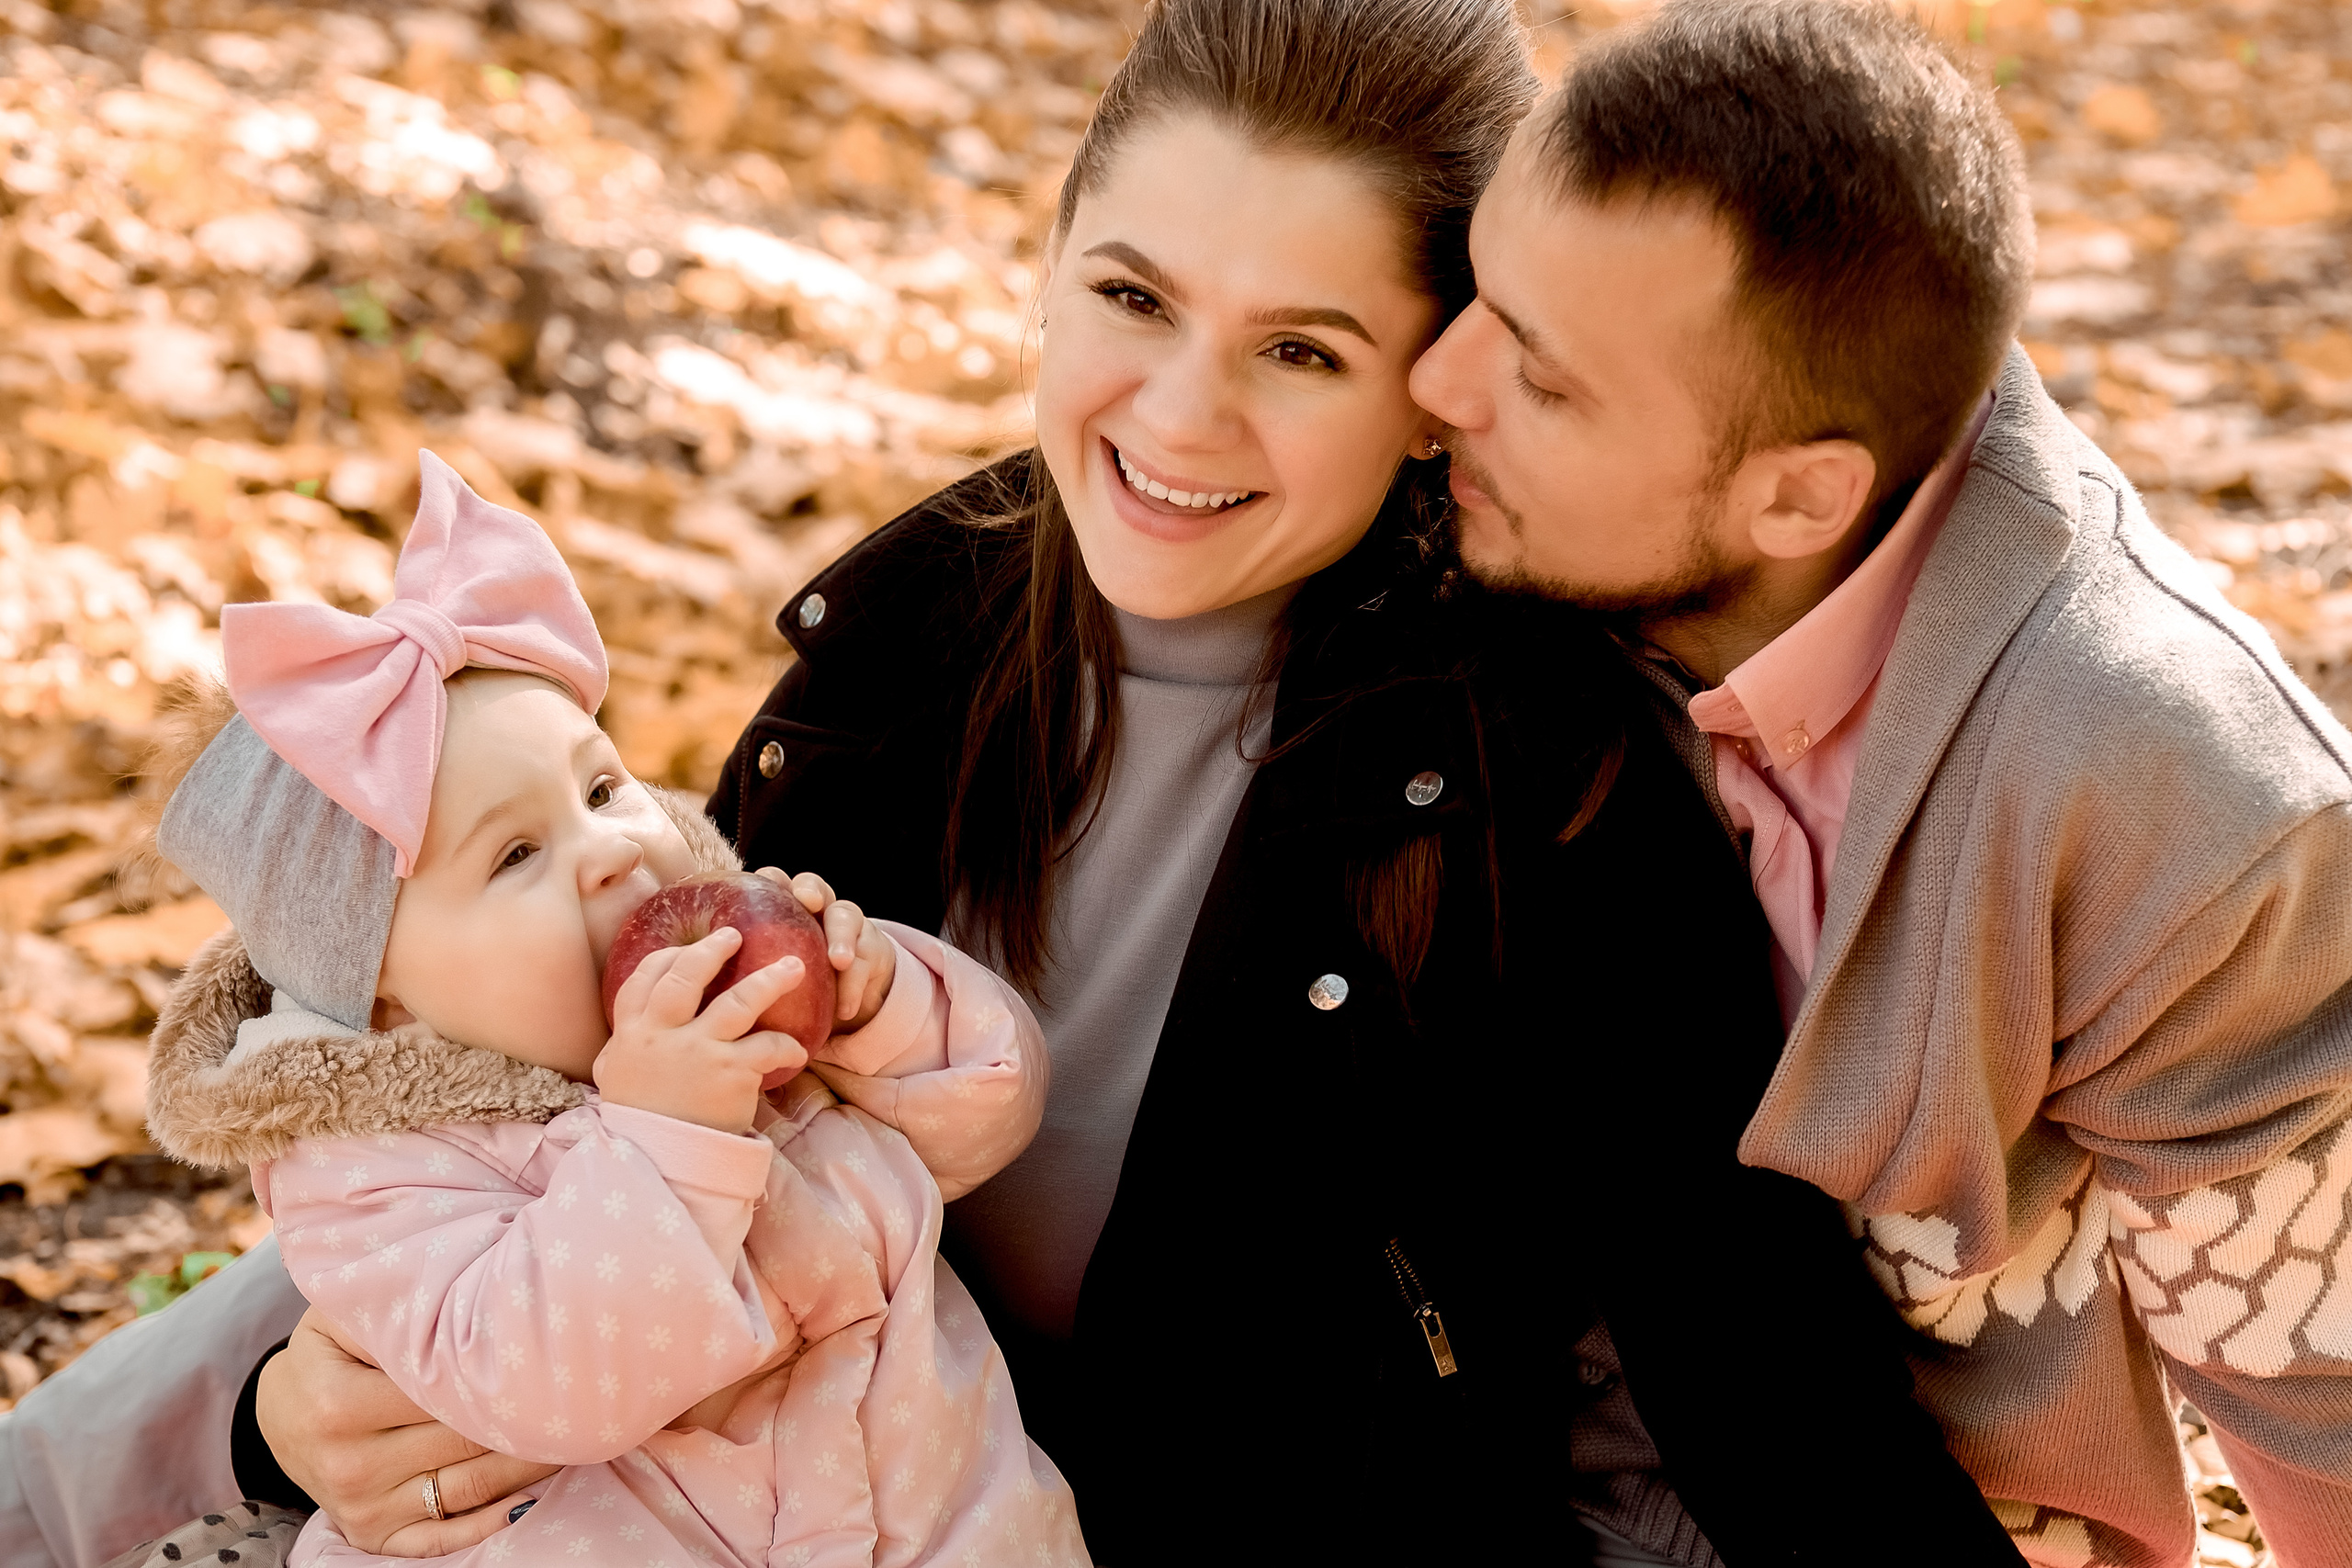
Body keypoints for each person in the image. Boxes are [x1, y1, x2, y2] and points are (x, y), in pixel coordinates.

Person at [2, 4, 2021, 1565]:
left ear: (1432, 389)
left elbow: (1753, 1361)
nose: (1173, 412)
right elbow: (493, 1107)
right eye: (1130, 297)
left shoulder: (1541, 785)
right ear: (1052, 261)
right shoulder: (898, 662)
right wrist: (272, 1423)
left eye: (1301, 351)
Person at [1407, 2, 2352, 1564]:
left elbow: (2324, 1409)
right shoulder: (1507, 527)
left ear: (1799, 495)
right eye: (1482, 298)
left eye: (1544, 381)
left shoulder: (2159, 794)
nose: (1438, 382)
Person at [122, 451, 1081, 1568]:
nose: (610, 855)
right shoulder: (376, 1170)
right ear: (379, 992)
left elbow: (990, 1122)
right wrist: (667, 1141)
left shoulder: (749, 1015)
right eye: (518, 853)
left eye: (601, 790)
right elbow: (552, 1388)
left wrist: (883, 1014)